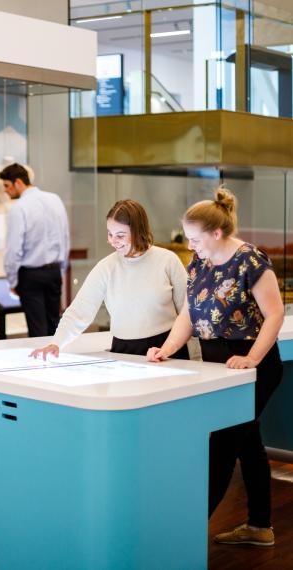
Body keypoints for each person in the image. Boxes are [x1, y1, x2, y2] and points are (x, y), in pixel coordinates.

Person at [147, 188, 284, 547]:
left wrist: (252, 358)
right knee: (247, 443)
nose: (190, 245)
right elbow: (189, 313)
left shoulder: (250, 260)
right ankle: (260, 526)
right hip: (218, 366)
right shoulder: (201, 262)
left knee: (223, 444)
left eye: (194, 238)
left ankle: (185, 535)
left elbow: (275, 314)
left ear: (216, 233)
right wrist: (168, 347)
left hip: (250, 366)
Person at [31, 199, 189, 360]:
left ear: (138, 231)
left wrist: (197, 356)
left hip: (168, 348)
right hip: (123, 350)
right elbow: (79, 311)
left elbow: (188, 312)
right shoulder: (106, 267)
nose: (113, 241)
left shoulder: (167, 260)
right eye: (110, 234)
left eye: (120, 235)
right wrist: (56, 343)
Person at [0, 163, 69, 337]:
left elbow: (14, 248)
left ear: (18, 183)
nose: (6, 191)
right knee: (54, 325)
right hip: (54, 271)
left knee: (37, 328)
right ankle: (58, 363)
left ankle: (41, 364)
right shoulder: (55, 199)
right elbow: (65, 237)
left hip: (30, 275)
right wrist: (61, 269)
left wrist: (13, 280)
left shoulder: (19, 207)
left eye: (7, 186)